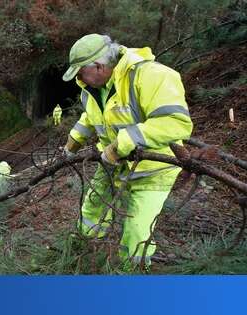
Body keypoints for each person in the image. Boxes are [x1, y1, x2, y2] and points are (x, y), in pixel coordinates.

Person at [61, 34, 193, 267]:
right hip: (112, 164)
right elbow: (91, 116)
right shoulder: (92, 87)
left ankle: (133, 274)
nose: (79, 79)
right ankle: (84, 247)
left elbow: (176, 122)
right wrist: (74, 140)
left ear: (100, 66)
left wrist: (122, 144)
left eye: (81, 73)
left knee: (136, 233)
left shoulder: (153, 76)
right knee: (92, 206)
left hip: (152, 171)